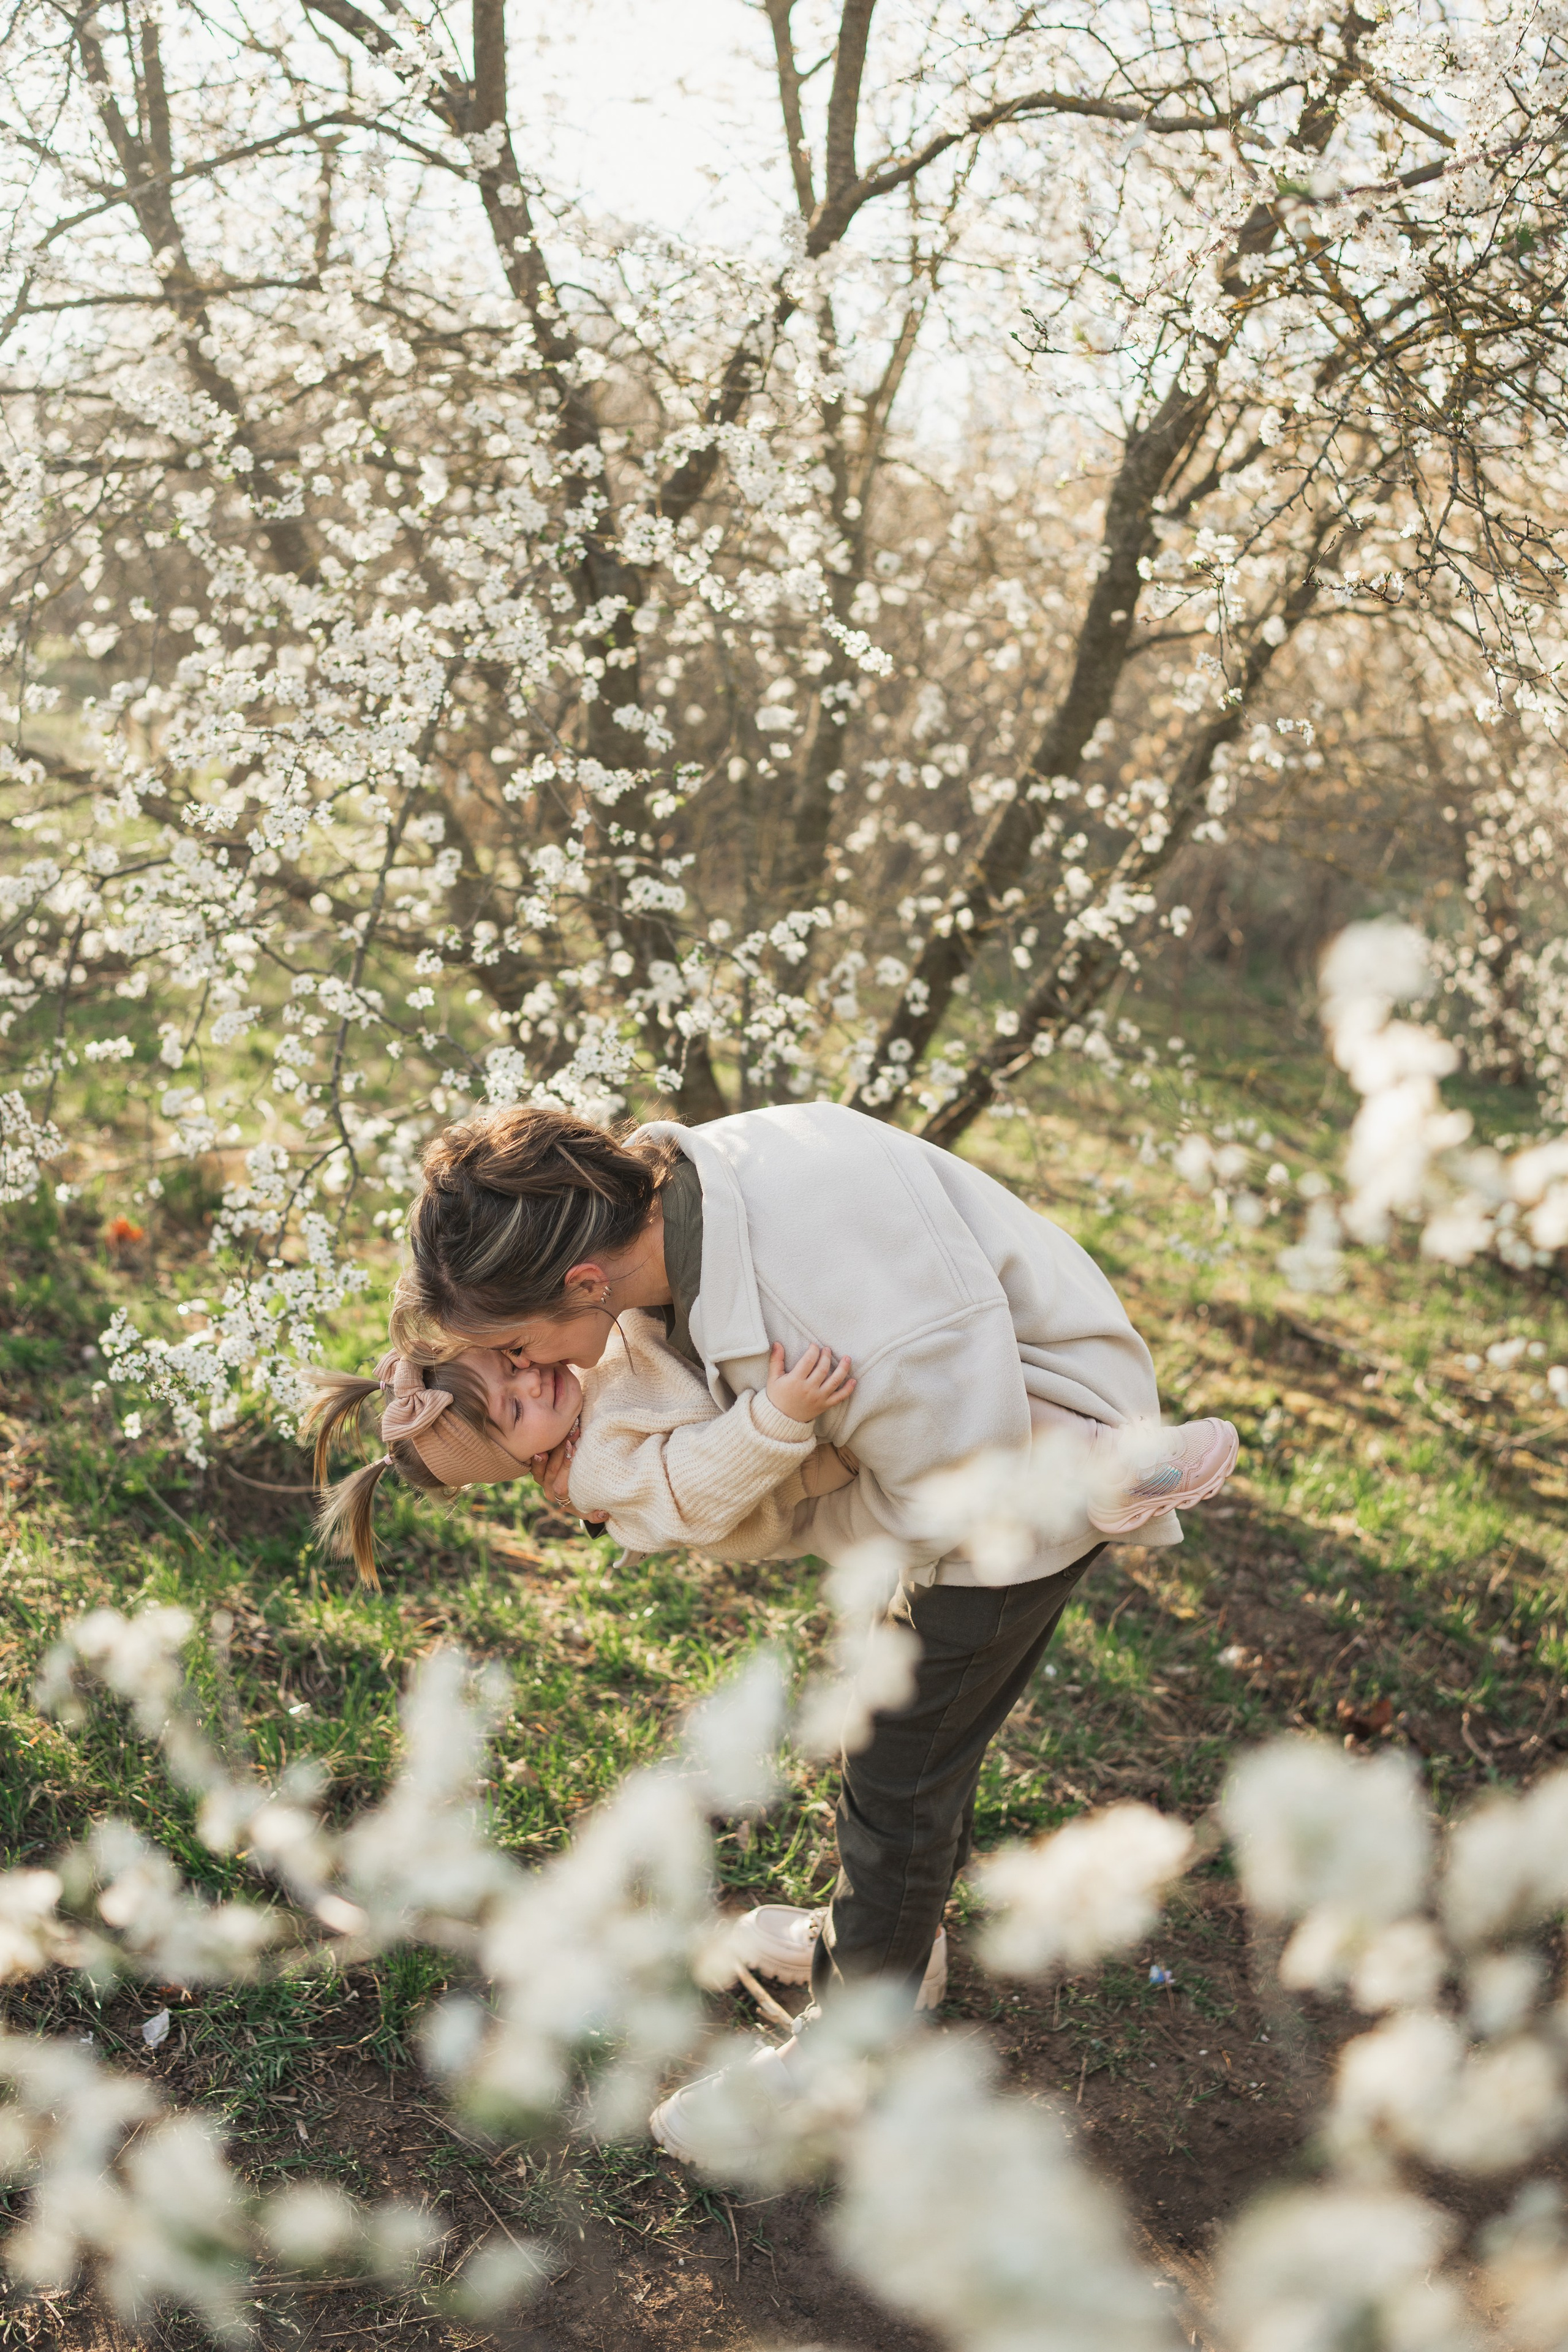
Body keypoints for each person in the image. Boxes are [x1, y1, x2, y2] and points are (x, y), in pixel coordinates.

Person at [390, 1097, 1237, 2155]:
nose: (527, 1374)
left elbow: (955, 1506)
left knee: (899, 1760)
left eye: (514, 1346)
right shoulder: (674, 1202)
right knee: (913, 1722)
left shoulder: (841, 1303)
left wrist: (748, 1519)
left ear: (583, 1281)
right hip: (960, 1418)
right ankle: (891, 1940)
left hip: (1033, 1469)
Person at [303, 1325, 860, 1586]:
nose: (533, 1384)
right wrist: (781, 1414)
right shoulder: (594, 1464)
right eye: (515, 1412)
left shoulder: (578, 1374)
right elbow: (692, 1489)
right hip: (825, 1462)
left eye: (511, 1365)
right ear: (519, 1462)